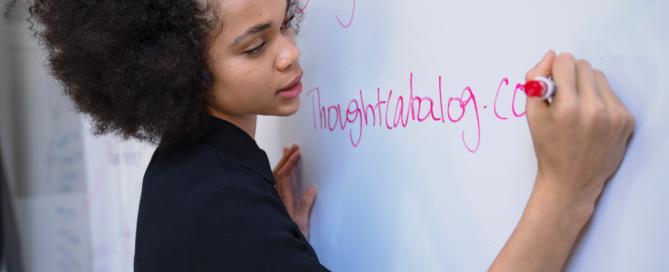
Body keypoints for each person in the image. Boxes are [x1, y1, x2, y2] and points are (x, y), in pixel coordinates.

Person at [16, 0, 634, 271]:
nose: (289, 54)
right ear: (170, 65)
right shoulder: (215, 204)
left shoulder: (196, 173)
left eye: (284, 22)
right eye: (255, 44)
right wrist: (566, 191)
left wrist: (273, 249)